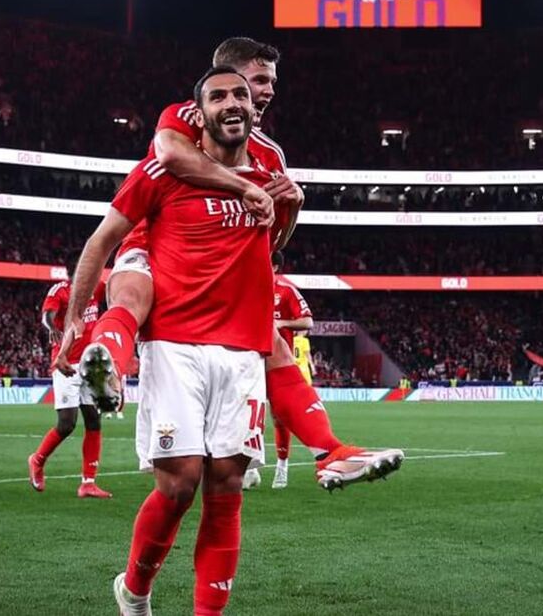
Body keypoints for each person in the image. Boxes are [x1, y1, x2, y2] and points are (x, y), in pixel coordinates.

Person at [81, 36, 403, 491]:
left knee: (270, 345)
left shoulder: (269, 155)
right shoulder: (185, 116)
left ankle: (329, 451)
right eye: (259, 80)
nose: (266, 92)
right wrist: (244, 186)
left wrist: (290, 209)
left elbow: (268, 242)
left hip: (214, 266)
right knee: (133, 294)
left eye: (269, 84)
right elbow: (169, 153)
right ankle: (107, 369)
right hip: (154, 241)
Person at [57, 68, 272, 616]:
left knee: (228, 485)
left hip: (238, 345)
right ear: (198, 111)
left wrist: (287, 204)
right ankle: (134, 592)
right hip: (176, 338)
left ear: (254, 108)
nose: (233, 102)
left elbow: (270, 245)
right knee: (180, 485)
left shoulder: (269, 169)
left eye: (242, 93)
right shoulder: (163, 165)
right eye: (218, 95)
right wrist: (74, 316)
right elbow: (102, 239)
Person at [27, 264, 114, 498]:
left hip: (90, 364)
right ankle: (37, 460)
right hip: (66, 364)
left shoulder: (97, 288)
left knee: (94, 421)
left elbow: (116, 288)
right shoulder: (61, 291)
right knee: (67, 424)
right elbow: (47, 315)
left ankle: (88, 482)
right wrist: (51, 327)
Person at [245, 250, 313, 490]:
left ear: (274, 267)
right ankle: (250, 468)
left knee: (278, 416)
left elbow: (307, 321)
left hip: (277, 363)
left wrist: (282, 323)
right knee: (246, 414)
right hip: (249, 361)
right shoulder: (248, 288)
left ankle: (282, 466)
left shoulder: (286, 291)